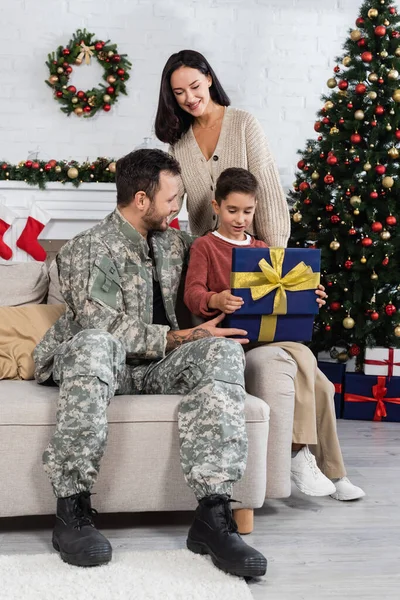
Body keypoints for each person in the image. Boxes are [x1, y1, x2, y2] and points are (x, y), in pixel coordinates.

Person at [33, 149, 267, 577]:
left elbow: (236, 272)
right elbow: (99, 323)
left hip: (155, 367)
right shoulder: (88, 248)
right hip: (99, 362)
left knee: (222, 350)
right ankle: (72, 507)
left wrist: (298, 294)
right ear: (142, 199)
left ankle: (213, 514)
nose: (179, 207)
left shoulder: (176, 243)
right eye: (172, 198)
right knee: (97, 343)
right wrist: (182, 335)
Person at [184, 167, 365, 501]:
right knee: (308, 362)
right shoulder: (205, 247)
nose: (240, 219)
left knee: (323, 386)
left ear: (256, 209)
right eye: (232, 210)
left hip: (274, 337)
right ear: (216, 206)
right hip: (236, 337)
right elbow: (192, 293)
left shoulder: (262, 247)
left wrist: (310, 294)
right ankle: (298, 454)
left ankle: (334, 474)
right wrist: (214, 298)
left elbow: (281, 296)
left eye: (247, 211)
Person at [155, 49, 290, 247]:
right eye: (179, 93)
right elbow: (170, 199)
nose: (189, 98)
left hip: (250, 254)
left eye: (195, 86)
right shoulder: (179, 141)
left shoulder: (243, 124)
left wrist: (276, 255)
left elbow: (269, 196)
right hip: (207, 256)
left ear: (208, 79)